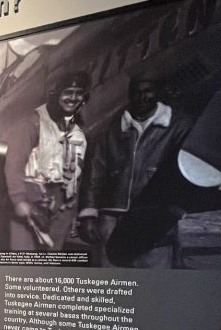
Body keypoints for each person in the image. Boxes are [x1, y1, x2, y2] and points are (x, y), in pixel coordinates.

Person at [79, 71, 193, 266]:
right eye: (136, 92)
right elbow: (94, 173)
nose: (142, 97)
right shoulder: (112, 130)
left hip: (152, 214)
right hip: (112, 215)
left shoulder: (179, 126)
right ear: (129, 95)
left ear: (158, 93)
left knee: (154, 277)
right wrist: (89, 213)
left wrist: (177, 206)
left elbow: (186, 171)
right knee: (110, 279)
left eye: (148, 91)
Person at [4, 68, 90, 251]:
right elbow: (14, 164)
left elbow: (77, 176)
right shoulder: (31, 124)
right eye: (68, 92)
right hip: (32, 200)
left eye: (78, 93)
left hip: (61, 209)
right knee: (24, 264)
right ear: (56, 93)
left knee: (48, 267)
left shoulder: (79, 134)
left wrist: (72, 212)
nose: (73, 98)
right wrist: (22, 202)